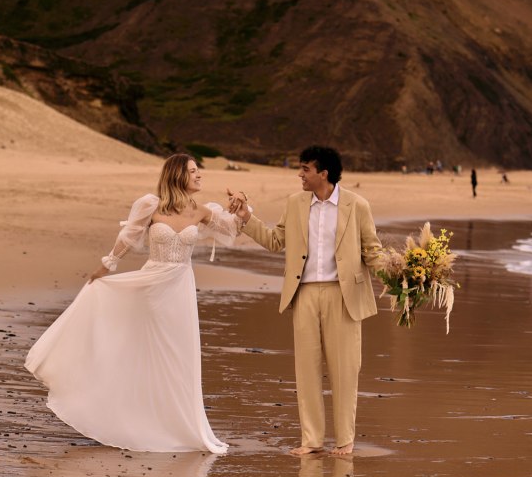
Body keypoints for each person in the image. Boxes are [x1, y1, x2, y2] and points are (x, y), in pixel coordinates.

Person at [25, 154, 243, 453]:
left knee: (179, 357)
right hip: (150, 287)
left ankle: (176, 425)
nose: (199, 176)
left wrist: (241, 207)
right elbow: (128, 237)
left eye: (197, 171)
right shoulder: (151, 205)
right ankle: (121, 415)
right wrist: (108, 265)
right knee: (139, 351)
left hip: (179, 289)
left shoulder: (202, 211)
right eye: (193, 171)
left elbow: (231, 230)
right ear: (178, 175)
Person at [229, 146, 382, 458]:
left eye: (305, 169)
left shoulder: (357, 205)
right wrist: (246, 217)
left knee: (345, 370)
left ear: (323, 174)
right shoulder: (296, 204)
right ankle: (312, 440)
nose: (299, 174)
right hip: (305, 293)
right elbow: (276, 241)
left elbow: (372, 251)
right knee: (307, 369)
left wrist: (401, 276)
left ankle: (345, 441)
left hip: (344, 296)